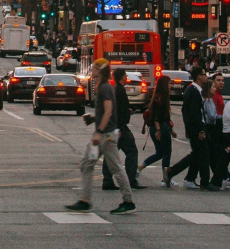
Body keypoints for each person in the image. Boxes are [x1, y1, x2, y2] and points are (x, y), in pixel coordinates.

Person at [66, 59, 135, 215]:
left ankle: (128, 201)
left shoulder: (104, 88)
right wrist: (94, 118)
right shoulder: (102, 87)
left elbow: (109, 111)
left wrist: (99, 131)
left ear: (102, 70)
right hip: (102, 136)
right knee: (86, 164)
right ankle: (85, 200)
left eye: (96, 68)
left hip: (106, 137)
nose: (93, 70)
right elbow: (106, 113)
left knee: (115, 167)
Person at [167, 66, 216, 191]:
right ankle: (204, 181)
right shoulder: (194, 91)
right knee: (204, 154)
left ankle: (177, 173)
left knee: (197, 154)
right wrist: (200, 130)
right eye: (204, 74)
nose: (206, 77)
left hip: (194, 127)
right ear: (199, 76)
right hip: (196, 128)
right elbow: (194, 113)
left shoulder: (193, 90)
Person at [102, 69, 143, 190]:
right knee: (132, 152)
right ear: (122, 77)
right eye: (125, 75)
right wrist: (120, 125)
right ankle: (131, 180)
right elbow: (118, 110)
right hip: (120, 128)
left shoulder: (115, 89)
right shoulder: (120, 90)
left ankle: (107, 180)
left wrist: (128, 109)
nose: (127, 77)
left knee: (110, 153)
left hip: (115, 127)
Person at [139, 75, 175, 186]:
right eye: (169, 83)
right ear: (164, 85)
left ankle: (140, 167)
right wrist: (159, 129)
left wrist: (171, 130)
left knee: (159, 153)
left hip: (156, 127)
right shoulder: (162, 97)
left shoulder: (156, 96)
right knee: (166, 152)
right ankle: (166, 178)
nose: (171, 86)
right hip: (160, 127)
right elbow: (158, 116)